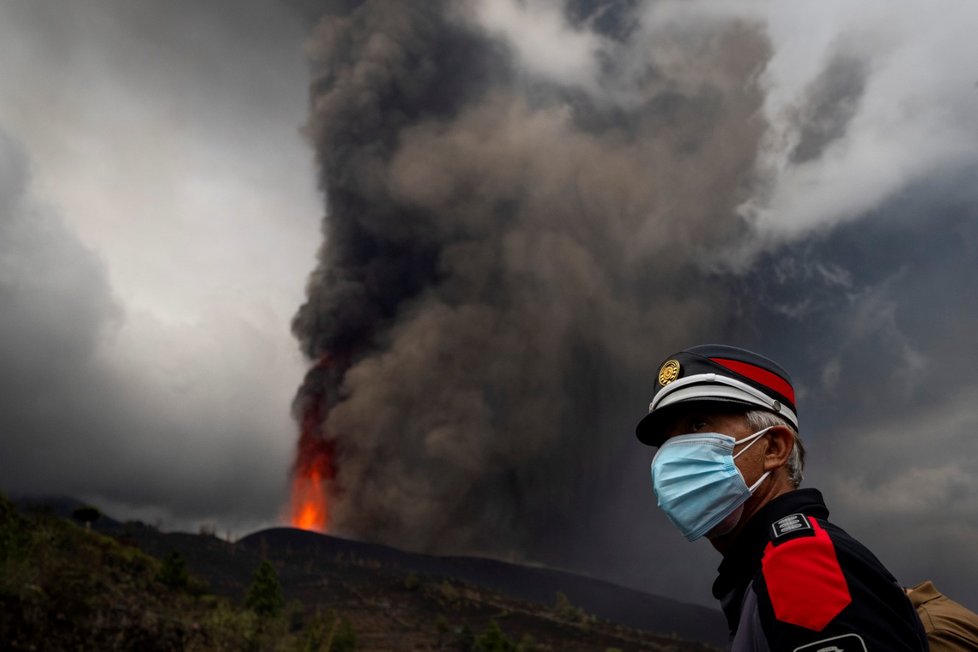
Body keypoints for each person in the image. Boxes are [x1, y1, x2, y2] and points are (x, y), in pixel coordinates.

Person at [635, 344, 928, 651]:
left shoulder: (800, 564)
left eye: (698, 425)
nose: (673, 454)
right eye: (668, 440)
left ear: (774, 448)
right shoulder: (760, 570)